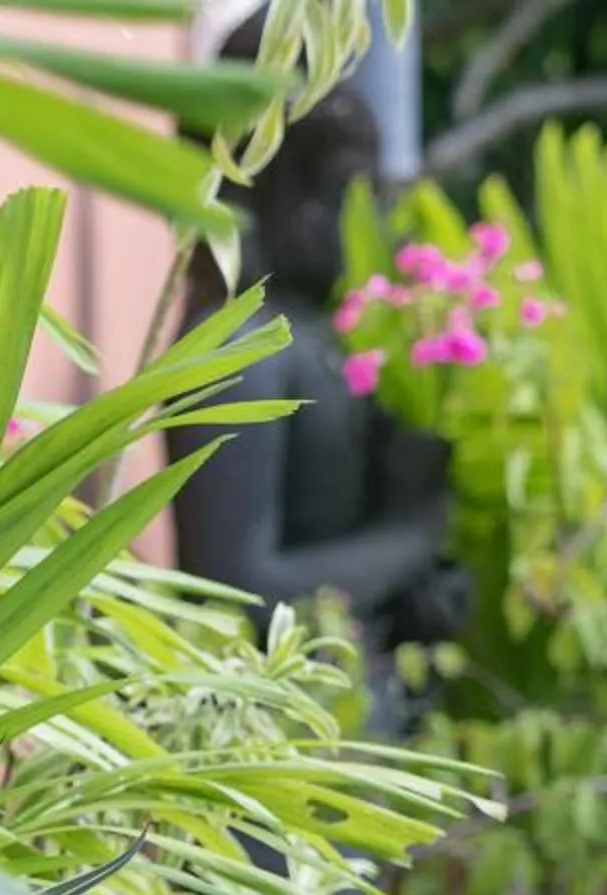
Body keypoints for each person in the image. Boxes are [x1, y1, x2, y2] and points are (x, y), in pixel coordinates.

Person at [168, 14, 470, 741]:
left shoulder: (322, 345)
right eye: (341, 193)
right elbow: (238, 585)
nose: (357, 221)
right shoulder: (242, 349)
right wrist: (409, 537)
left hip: (356, 715)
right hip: (274, 732)